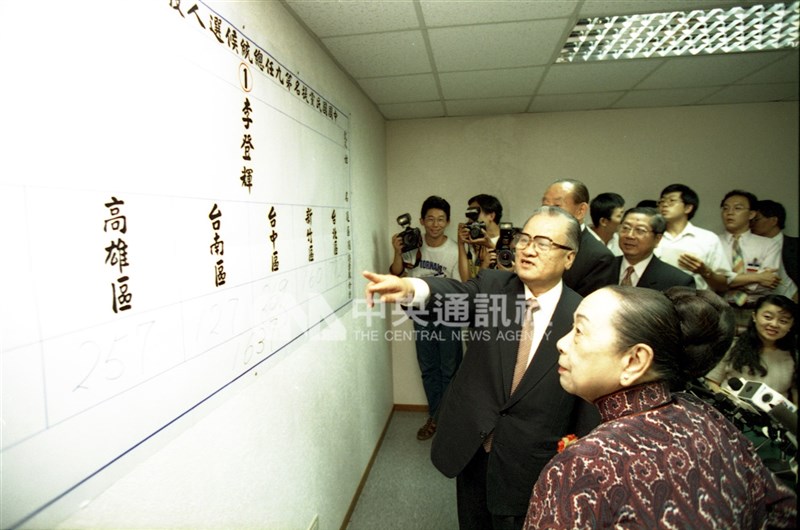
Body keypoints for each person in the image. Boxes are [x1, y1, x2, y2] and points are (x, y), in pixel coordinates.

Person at [365, 206, 600, 530]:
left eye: (544, 243)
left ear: (569, 257)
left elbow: (587, 397)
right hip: (474, 447)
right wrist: (412, 289)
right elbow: (455, 294)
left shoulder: (584, 314)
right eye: (524, 238)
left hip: (532, 459)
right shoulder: (494, 286)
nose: (528, 249)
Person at [523, 286, 797, 528]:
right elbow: (782, 510)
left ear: (634, 360)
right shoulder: (708, 417)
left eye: (579, 331)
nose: (561, 343)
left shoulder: (585, 464)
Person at [388, 195, 463, 441]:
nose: (435, 224)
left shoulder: (454, 250)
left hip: (449, 312)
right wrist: (397, 252)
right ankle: (435, 416)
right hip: (420, 312)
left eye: (440, 219)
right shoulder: (414, 247)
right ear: (421, 220)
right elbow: (397, 272)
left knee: (450, 368)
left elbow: (461, 284)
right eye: (430, 218)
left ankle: (448, 419)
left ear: (448, 222)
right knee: (429, 367)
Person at [706, 294, 798, 404]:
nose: (774, 324)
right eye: (768, 317)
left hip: (773, 419)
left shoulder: (794, 356)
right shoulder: (732, 346)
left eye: (783, 321)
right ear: (754, 316)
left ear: (791, 325)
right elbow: (711, 381)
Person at [718, 190, 782, 333]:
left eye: (737, 208)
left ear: (752, 214)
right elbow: (713, 280)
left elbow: (767, 283)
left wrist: (728, 281)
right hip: (721, 308)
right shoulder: (712, 242)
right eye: (725, 208)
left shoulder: (768, 245)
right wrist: (758, 277)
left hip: (756, 309)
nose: (730, 212)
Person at [542, 179, 614, 296]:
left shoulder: (599, 257)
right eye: (544, 205)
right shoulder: (535, 243)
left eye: (557, 206)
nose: (547, 212)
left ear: (581, 210)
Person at [655, 183, 731, 291]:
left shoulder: (708, 239)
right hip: (656, 301)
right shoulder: (652, 236)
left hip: (694, 302)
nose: (664, 205)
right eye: (661, 201)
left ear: (688, 208)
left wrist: (704, 271)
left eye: (671, 201)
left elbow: (723, 285)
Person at [610, 206, 695, 290]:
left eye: (640, 230)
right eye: (625, 228)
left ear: (657, 239)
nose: (630, 235)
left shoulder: (678, 282)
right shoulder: (602, 268)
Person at [752, 200, 798, 301]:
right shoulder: (750, 247)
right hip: (761, 305)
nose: (751, 224)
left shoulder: (795, 245)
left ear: (773, 221)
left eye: (756, 219)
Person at [458, 194, 504, 280]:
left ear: (491, 216)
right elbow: (466, 281)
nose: (471, 219)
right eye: (469, 214)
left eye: (475, 213)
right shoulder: (473, 240)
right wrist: (461, 244)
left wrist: (491, 246)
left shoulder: (508, 240)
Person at [588, 192, 625, 257]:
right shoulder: (583, 241)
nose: (624, 220)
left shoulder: (620, 241)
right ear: (603, 221)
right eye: (619, 216)